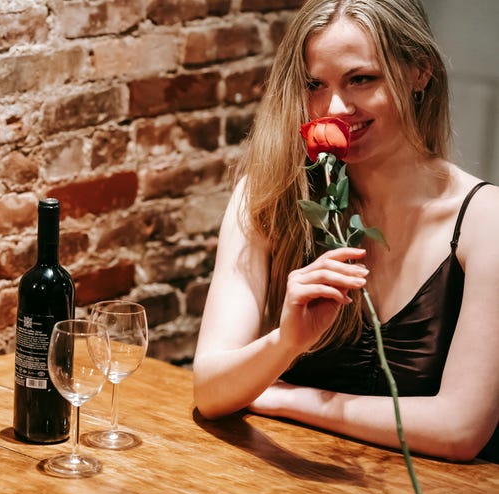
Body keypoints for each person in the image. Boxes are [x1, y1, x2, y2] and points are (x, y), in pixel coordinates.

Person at [192, 0, 498, 462]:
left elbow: (459, 429)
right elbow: (212, 391)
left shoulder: (486, 219)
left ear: (421, 72)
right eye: (315, 84)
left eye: (361, 79)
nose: (334, 107)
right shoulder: (266, 195)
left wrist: (282, 395)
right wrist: (287, 341)